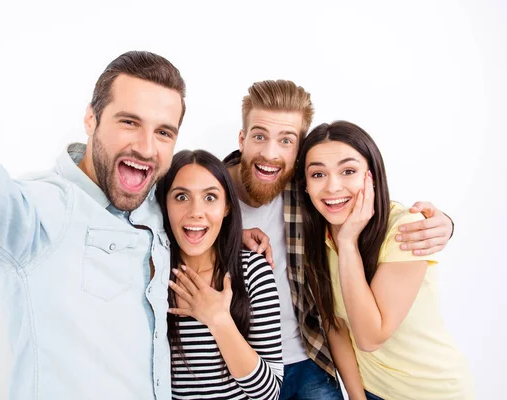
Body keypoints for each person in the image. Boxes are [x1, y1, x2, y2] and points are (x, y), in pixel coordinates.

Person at [0, 51, 270, 400]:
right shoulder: (44, 212)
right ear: (90, 119)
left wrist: (238, 231)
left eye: (163, 132)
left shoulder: (155, 205)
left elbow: (205, 197)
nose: (146, 147)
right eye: (129, 122)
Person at [223, 80, 456, 399]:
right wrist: (233, 236)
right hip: (237, 367)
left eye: (286, 140)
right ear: (242, 138)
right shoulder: (205, 195)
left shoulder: (310, 195)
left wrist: (445, 223)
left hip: (309, 361)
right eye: (260, 136)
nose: (270, 153)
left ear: (298, 149)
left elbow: (366, 204)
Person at [295, 120, 473, 400]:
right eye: (318, 174)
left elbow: (369, 337)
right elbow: (335, 325)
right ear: (305, 186)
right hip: (371, 390)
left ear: (372, 176)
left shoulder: (405, 229)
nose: (332, 186)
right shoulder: (317, 239)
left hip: (433, 391)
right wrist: (357, 397)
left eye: (348, 171)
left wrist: (348, 242)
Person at [156, 150, 283, 399]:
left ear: (226, 207)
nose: (196, 211)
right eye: (181, 196)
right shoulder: (154, 276)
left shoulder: (252, 273)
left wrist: (218, 320)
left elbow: (269, 393)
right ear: (164, 204)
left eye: (210, 197)